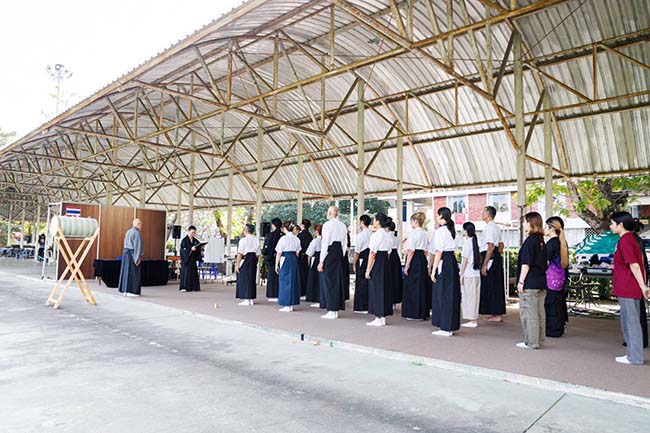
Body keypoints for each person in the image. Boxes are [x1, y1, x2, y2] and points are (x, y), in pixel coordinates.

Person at [610, 211, 647, 365]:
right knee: (630, 321)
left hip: (628, 287)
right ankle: (632, 354)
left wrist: (643, 286)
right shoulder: (631, 239)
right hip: (628, 287)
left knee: (631, 322)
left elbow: (635, 265)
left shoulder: (625, 241)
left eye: (612, 223)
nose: (610, 226)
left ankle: (635, 356)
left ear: (621, 225)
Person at [516, 212, 547, 349]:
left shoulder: (529, 241)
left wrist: (521, 281)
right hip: (541, 281)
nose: (523, 224)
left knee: (529, 314)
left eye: (525, 222)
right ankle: (539, 339)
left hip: (530, 283)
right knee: (540, 313)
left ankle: (531, 342)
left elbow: (526, 264)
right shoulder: (541, 241)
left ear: (530, 223)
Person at [430, 207, 461, 337]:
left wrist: (433, 270)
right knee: (450, 293)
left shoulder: (441, 231)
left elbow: (438, 251)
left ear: (442, 216)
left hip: (444, 262)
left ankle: (445, 327)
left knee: (443, 293)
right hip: (451, 261)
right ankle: (449, 326)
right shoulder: (450, 230)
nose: (436, 218)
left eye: (438, 216)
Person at [318, 206, 348, 319]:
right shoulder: (343, 225)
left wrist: (321, 261)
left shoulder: (327, 224)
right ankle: (335, 309)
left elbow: (325, 243)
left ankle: (331, 309)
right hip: (339, 251)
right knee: (337, 280)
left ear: (330, 213)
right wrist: (342, 255)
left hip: (330, 252)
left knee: (328, 280)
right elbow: (345, 243)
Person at [479, 206, 506, 322]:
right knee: (496, 285)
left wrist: (485, 263)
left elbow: (490, 246)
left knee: (491, 285)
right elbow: (501, 245)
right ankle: (496, 313)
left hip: (489, 256)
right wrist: (496, 257)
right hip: (495, 257)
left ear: (488, 214)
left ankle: (496, 314)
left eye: (483, 211)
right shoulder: (496, 227)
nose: (482, 213)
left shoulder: (489, 228)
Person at [365, 212, 393, 326]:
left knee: (376, 288)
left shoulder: (376, 235)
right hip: (385, 260)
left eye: (374, 220)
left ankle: (378, 317)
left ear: (377, 221)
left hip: (378, 261)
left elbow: (372, 253)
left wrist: (367, 270)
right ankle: (382, 317)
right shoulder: (387, 234)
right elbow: (390, 251)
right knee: (384, 288)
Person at [402, 212, 430, 320]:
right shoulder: (424, 233)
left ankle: (413, 312)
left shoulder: (413, 233)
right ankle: (422, 312)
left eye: (412, 221)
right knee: (421, 285)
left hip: (414, 259)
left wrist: (407, 265)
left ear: (416, 221)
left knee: (412, 285)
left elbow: (411, 251)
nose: (411, 223)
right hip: (422, 258)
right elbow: (426, 251)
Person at [545, 217, 569, 337]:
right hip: (561, 277)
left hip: (551, 278)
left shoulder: (550, 243)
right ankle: (559, 328)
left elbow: (546, 262)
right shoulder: (562, 242)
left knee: (550, 304)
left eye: (546, 226)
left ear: (551, 228)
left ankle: (552, 329)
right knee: (559, 303)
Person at [275, 221, 302, 312]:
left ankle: (287, 304)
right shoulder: (296, 239)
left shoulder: (283, 238)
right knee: (293, 280)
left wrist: (276, 264)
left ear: (285, 228)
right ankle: (292, 303)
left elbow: (279, 252)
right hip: (293, 258)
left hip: (285, 258)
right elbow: (298, 251)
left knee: (285, 280)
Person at [460, 222, 481, 328]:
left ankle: (473, 320)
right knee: (475, 297)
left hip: (468, 274)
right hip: (476, 274)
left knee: (469, 297)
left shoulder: (467, 242)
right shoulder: (474, 242)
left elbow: (464, 260)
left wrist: (461, 274)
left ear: (466, 231)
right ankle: (473, 319)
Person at [632, 218, 649, 348]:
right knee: (639, 309)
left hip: (637, 277)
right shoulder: (638, 240)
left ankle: (639, 339)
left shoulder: (632, 241)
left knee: (635, 310)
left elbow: (637, 264)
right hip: (641, 275)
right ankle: (641, 338)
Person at [118, 218, 144, 297]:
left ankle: (125, 290)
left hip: (126, 254)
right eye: (140, 224)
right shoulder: (136, 233)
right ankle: (132, 291)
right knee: (133, 273)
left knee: (126, 272)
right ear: (138, 224)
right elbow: (137, 246)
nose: (141, 226)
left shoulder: (128, 231)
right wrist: (137, 258)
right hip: (133, 254)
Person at [235, 224, 259, 306]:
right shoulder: (256, 240)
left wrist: (237, 265)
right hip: (253, 259)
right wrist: (256, 261)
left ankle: (246, 299)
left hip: (245, 259)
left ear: (246, 230)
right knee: (251, 278)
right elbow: (258, 254)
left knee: (244, 278)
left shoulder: (243, 240)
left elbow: (240, 253)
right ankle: (251, 299)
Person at [353, 215, 372, 313]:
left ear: (362, 222)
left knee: (360, 281)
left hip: (362, 258)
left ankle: (361, 306)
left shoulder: (360, 235)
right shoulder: (372, 233)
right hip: (370, 257)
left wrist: (354, 263)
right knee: (368, 281)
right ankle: (368, 304)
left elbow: (357, 251)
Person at [262, 218, 283, 301]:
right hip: (282, 258)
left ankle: (272, 294)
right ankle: (279, 292)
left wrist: (264, 252)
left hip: (272, 258)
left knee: (271, 276)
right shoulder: (283, 235)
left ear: (273, 225)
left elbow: (266, 248)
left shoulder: (271, 235)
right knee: (279, 276)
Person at [179, 225, 202, 292]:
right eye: (192, 232)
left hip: (193, 259)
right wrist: (190, 249)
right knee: (186, 273)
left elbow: (198, 246)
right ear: (188, 232)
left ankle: (194, 287)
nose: (193, 234)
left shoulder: (195, 240)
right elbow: (183, 250)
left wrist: (200, 247)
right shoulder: (184, 240)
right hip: (186, 260)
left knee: (193, 273)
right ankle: (185, 287)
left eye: (194, 233)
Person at [306, 224, 323, 306]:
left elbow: (309, 253)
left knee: (313, 278)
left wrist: (309, 263)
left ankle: (313, 297)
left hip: (315, 258)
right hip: (323, 259)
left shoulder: (315, 241)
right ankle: (320, 297)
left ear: (316, 231)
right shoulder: (325, 240)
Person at [387, 220, 403, 307]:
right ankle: (395, 300)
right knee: (395, 277)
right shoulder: (396, 238)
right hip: (396, 256)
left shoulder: (387, 236)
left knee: (389, 277)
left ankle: (390, 299)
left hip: (389, 256)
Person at [297, 219, 313, 299]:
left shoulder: (300, 235)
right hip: (307, 256)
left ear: (303, 225)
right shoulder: (310, 235)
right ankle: (306, 291)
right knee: (306, 274)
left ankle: (301, 292)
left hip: (300, 257)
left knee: (300, 274)